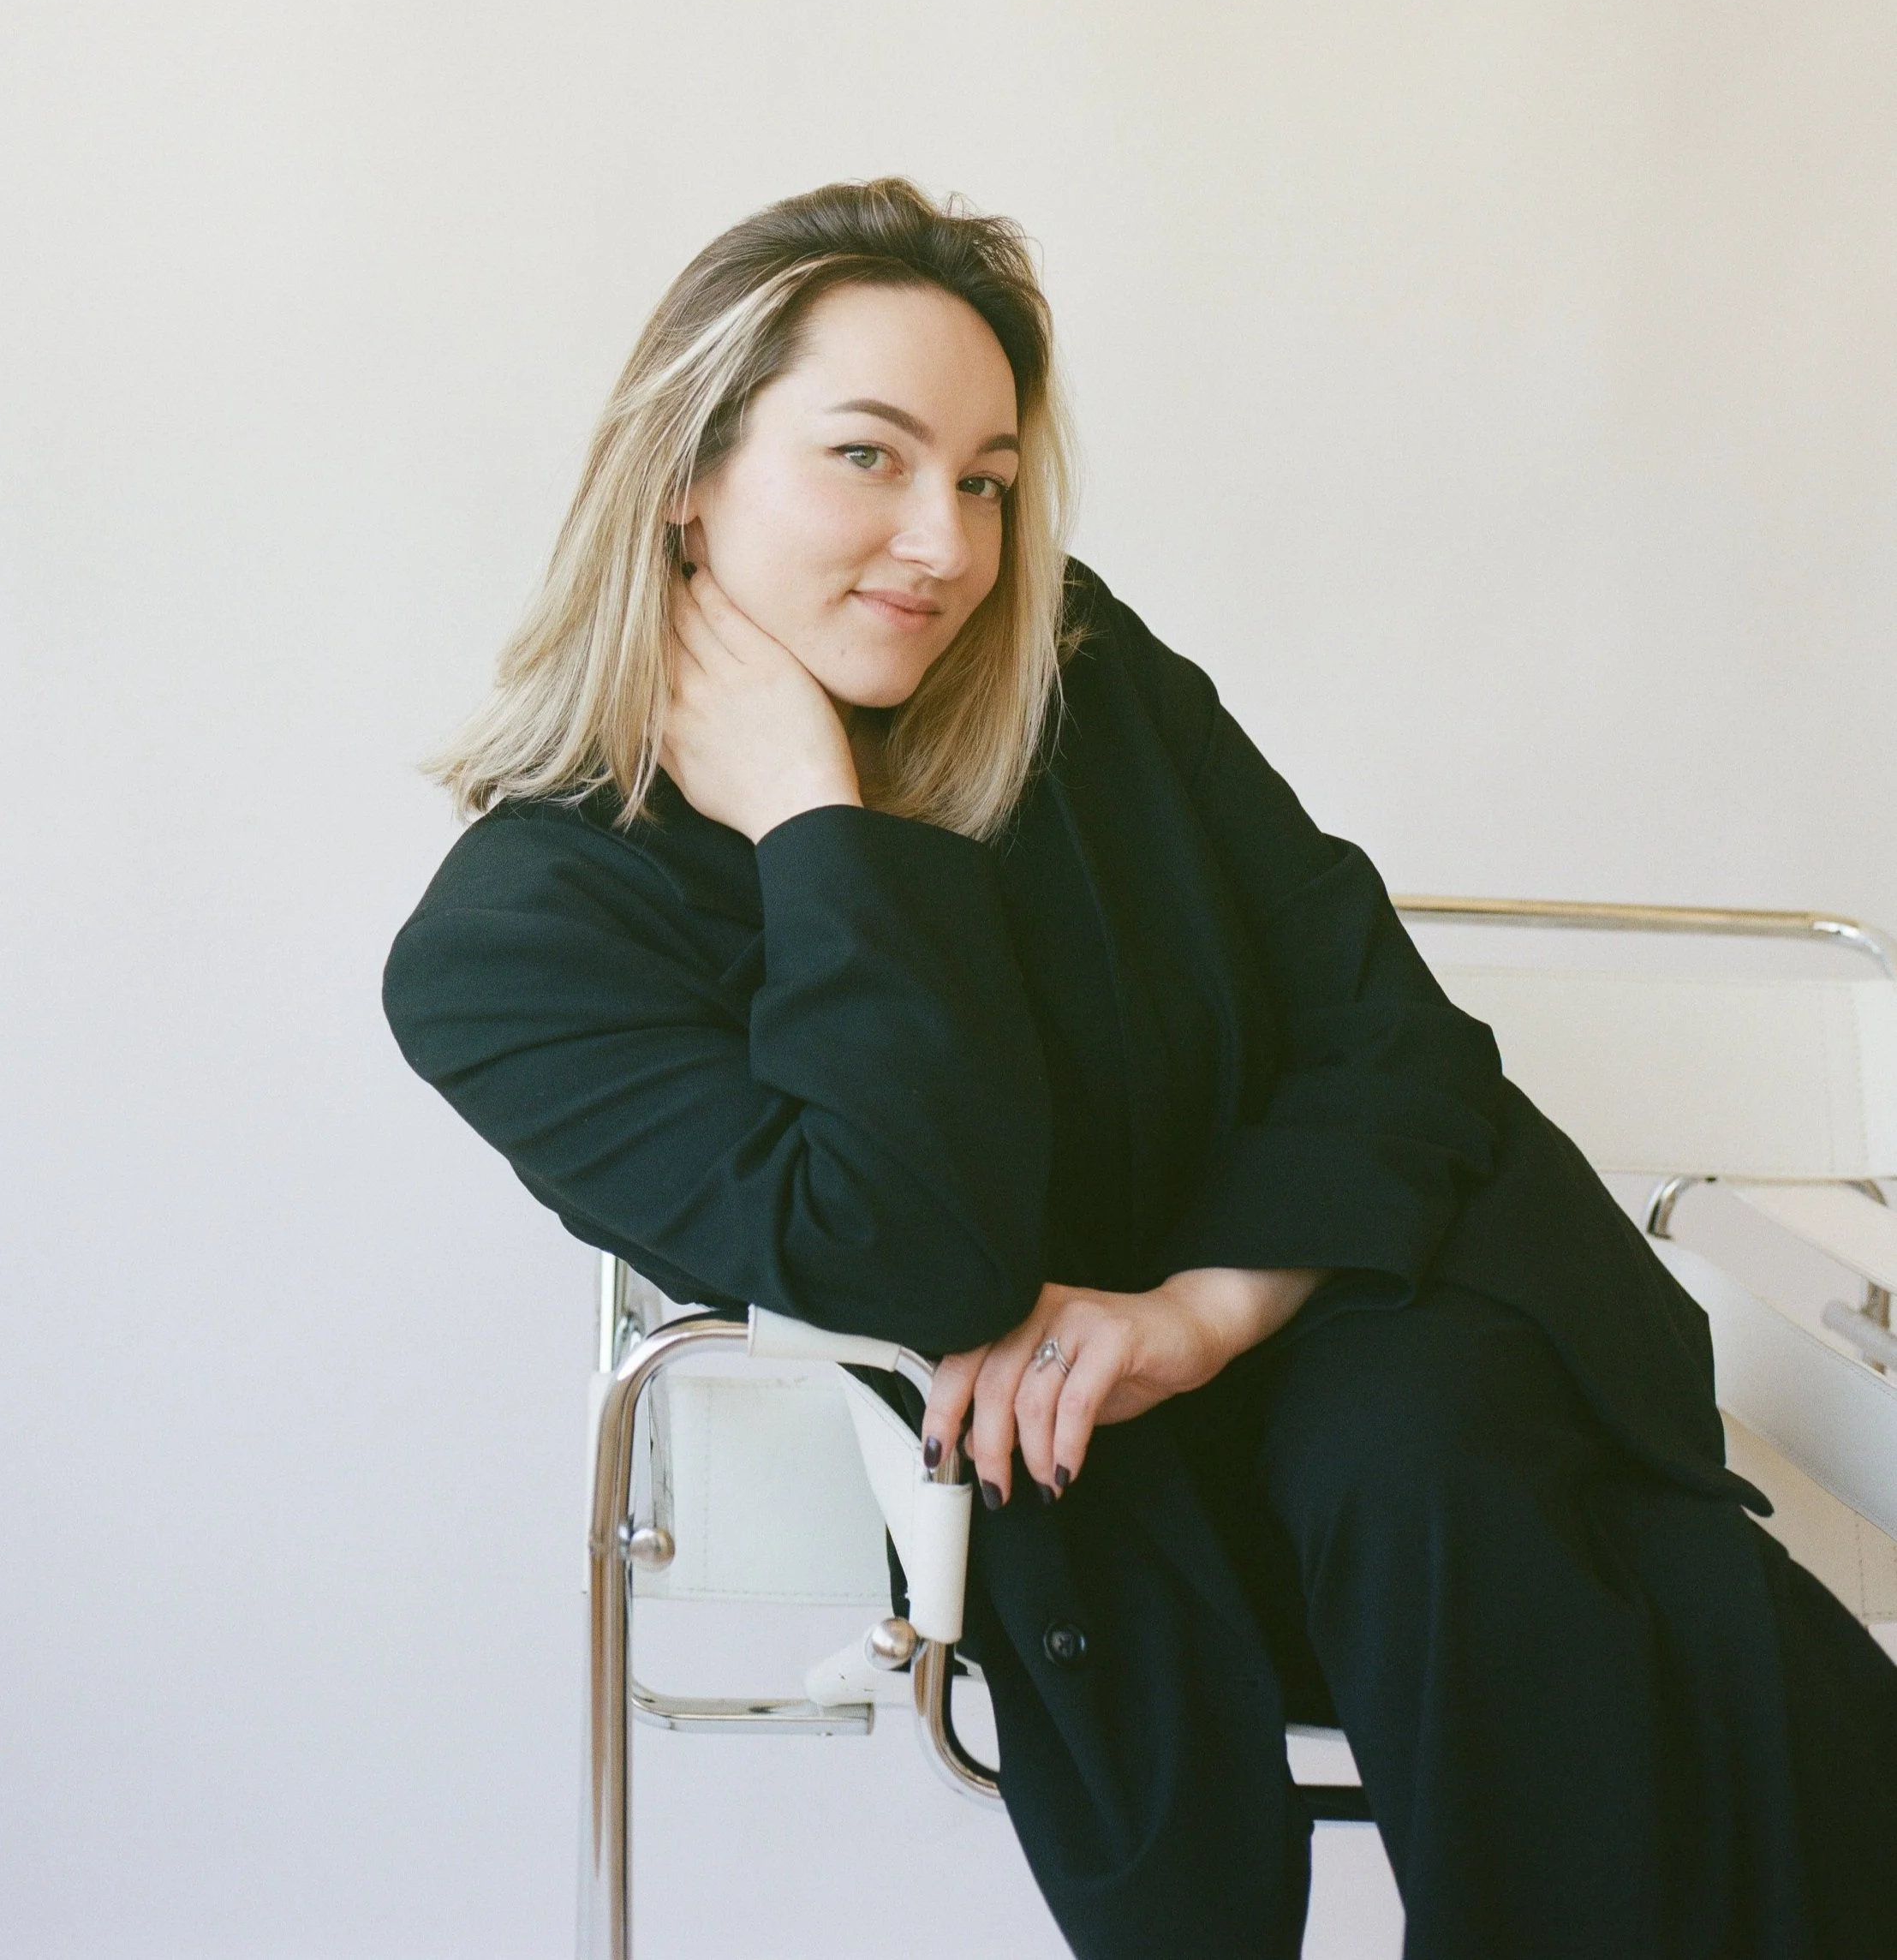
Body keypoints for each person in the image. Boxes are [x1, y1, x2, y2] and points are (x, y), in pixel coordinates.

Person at [381, 177, 1897, 1959]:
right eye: (868, 456)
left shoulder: (1072, 676)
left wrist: (1204, 1308)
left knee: (1432, 1440)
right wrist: (817, 821)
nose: (946, 544)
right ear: (684, 477)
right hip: (1082, 1506)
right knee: (1464, 1493)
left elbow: (1392, 1034)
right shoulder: (517, 947)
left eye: (986, 480)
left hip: (1381, 1393)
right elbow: (911, 1252)